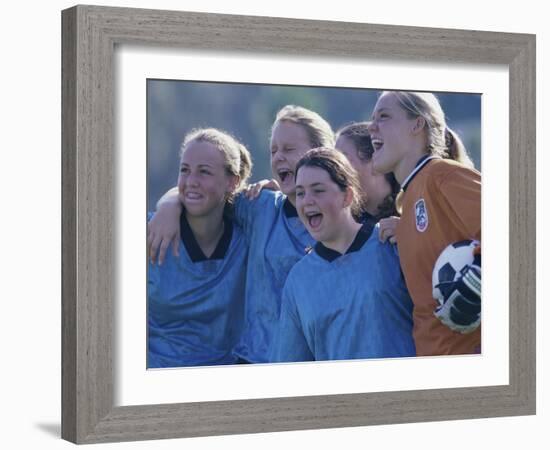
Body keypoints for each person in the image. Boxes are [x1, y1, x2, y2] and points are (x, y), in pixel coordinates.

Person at [147, 105, 335, 363]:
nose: (279, 156)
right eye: (273, 151)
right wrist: (168, 205)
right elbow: (206, 195)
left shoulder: (344, 222)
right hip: (252, 364)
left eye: (289, 149)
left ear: (323, 153)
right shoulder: (260, 207)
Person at [271, 148, 415, 362]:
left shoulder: (390, 244)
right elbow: (291, 367)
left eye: (318, 190)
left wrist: (414, 236)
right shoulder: (298, 280)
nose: (307, 200)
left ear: (347, 196)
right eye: (300, 193)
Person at [367, 91, 481, 356]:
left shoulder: (442, 175)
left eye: (383, 116)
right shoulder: (407, 202)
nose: (371, 126)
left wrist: (477, 279)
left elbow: (519, 236)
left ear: (417, 124)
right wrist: (405, 230)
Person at [147, 128, 251, 368]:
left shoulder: (249, 234)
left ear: (232, 181)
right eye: (185, 170)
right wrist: (170, 203)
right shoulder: (150, 232)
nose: (191, 181)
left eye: (204, 172)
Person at [335, 122, 401, 238]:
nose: (334, 171)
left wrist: (410, 234)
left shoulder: (413, 212)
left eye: (342, 161)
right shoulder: (345, 226)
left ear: (375, 162)